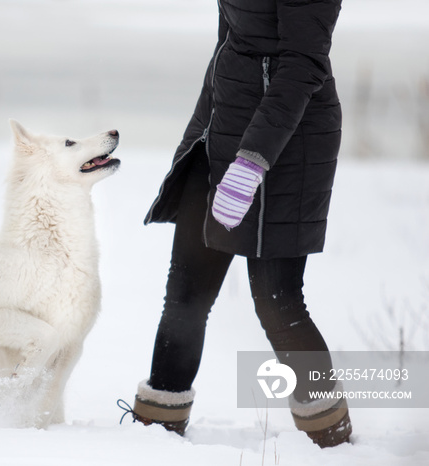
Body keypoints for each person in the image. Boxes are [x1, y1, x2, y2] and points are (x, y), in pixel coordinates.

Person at [127, 0, 351, 448]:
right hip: (224, 126)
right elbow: (228, 39)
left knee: (277, 301)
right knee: (186, 294)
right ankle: (153, 436)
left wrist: (252, 162)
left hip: (292, 140)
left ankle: (331, 439)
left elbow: (303, 64)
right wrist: (199, 136)